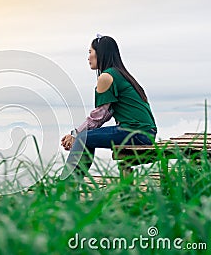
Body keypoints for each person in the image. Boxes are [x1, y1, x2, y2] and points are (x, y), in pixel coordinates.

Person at [60, 34, 157, 179]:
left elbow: (98, 117)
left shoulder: (106, 77)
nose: (88, 57)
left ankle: (66, 185)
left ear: (100, 53)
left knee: (83, 138)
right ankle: (69, 183)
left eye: (90, 52)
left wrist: (75, 135)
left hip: (135, 132)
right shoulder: (120, 74)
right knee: (85, 137)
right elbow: (105, 115)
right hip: (146, 133)